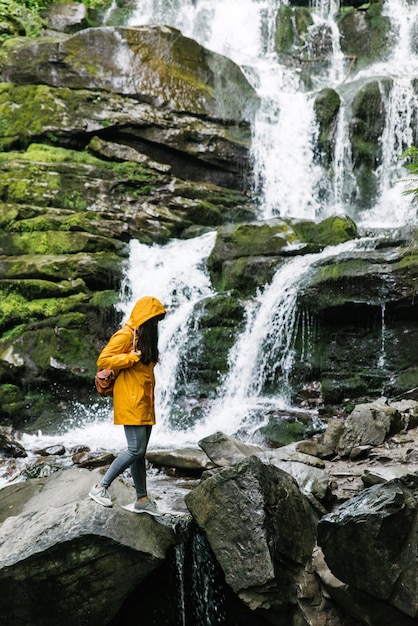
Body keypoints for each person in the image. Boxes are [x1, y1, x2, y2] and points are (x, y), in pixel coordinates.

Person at [89, 295, 166, 515]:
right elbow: (103, 360)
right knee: (135, 449)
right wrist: (130, 358)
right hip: (130, 401)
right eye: (152, 321)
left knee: (139, 453)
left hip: (144, 402)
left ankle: (142, 499)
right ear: (144, 319)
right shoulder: (126, 335)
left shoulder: (143, 339)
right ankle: (100, 487)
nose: (155, 325)